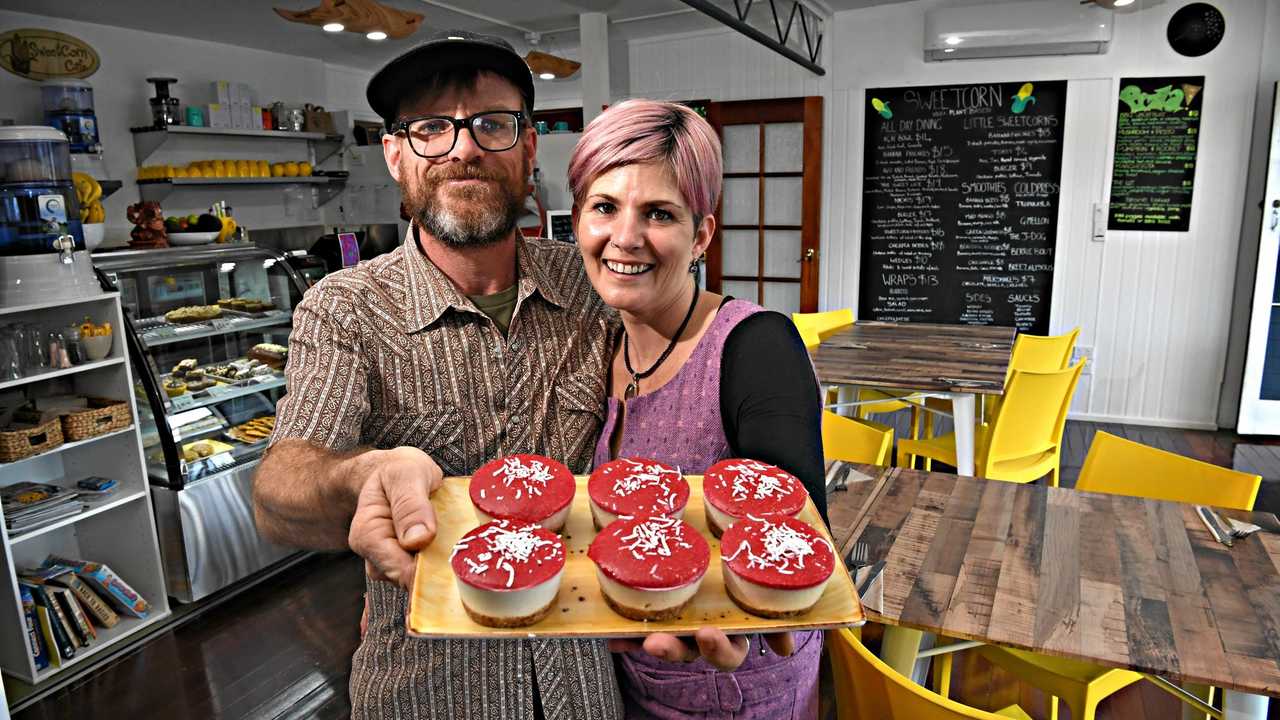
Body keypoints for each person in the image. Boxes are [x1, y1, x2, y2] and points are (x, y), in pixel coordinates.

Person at [253, 30, 624, 720]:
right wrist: (360, 476)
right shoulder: (346, 309)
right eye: (430, 128)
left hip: (586, 680)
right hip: (428, 689)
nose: (463, 148)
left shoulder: (590, 286)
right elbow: (279, 490)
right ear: (395, 154)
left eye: (492, 123)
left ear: (529, 145)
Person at [567, 99, 827, 718]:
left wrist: (745, 614)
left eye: (659, 213)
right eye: (604, 207)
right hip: (630, 673)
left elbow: (800, 527)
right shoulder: (597, 341)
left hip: (738, 685)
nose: (624, 238)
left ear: (701, 234)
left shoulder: (756, 345)